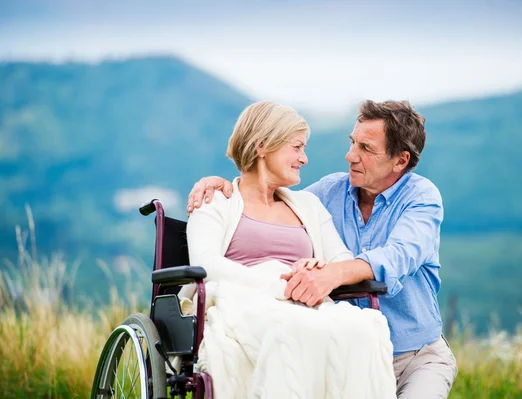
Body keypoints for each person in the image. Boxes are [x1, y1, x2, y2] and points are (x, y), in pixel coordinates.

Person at [187, 99, 458, 398]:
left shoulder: (422, 198)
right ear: (263, 145)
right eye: (352, 143)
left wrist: (327, 273)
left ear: (400, 161)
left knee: (357, 330)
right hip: (305, 324)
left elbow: (396, 256)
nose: (349, 156)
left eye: (366, 149)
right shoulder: (325, 193)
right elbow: (262, 199)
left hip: (415, 356)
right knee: (302, 333)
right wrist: (216, 182)